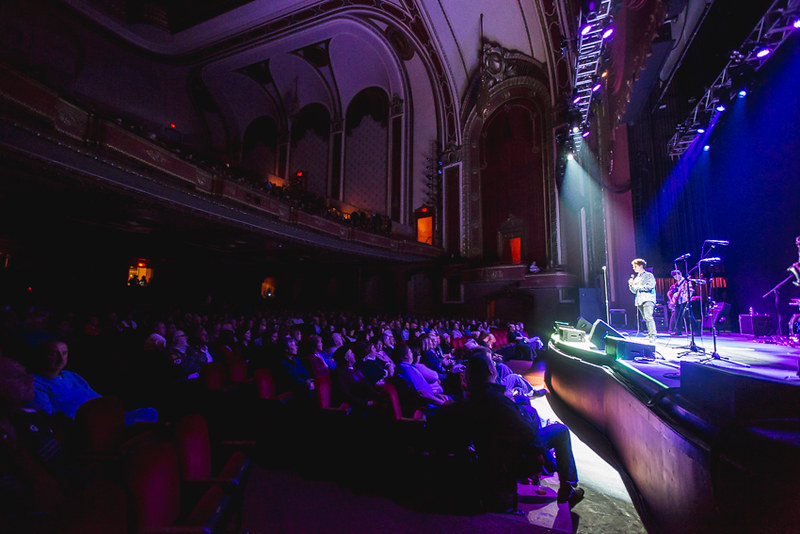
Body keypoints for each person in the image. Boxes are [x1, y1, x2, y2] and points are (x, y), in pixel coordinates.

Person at [463, 348, 584, 509]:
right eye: (492, 362)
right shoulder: (496, 400)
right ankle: (567, 489)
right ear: (490, 370)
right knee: (560, 430)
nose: (495, 363)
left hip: (492, 459)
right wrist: (542, 452)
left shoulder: (474, 397)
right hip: (515, 459)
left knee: (525, 405)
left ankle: (563, 481)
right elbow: (527, 434)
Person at [27, 341, 158, 426]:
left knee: (151, 413)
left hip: (106, 415)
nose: (61, 359)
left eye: (64, 353)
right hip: (87, 426)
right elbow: (48, 418)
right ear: (42, 356)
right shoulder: (35, 383)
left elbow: (94, 395)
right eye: (53, 354)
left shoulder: (71, 375)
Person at [629, 258, 657, 344]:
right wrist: (631, 285)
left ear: (641, 266)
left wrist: (638, 287)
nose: (634, 268)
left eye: (635, 266)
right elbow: (634, 291)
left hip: (648, 299)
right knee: (645, 318)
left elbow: (650, 286)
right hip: (639, 300)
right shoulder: (637, 278)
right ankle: (649, 334)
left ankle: (653, 335)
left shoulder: (649, 275)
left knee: (648, 317)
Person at [667, 269, 700, 336]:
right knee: (677, 316)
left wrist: (688, 296)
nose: (675, 278)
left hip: (685, 300)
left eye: (676, 276)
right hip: (679, 301)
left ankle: (697, 331)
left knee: (689, 315)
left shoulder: (685, 281)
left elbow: (690, 290)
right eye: (674, 277)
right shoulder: (677, 284)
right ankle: (678, 331)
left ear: (680, 274)